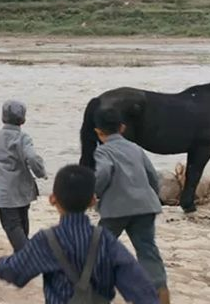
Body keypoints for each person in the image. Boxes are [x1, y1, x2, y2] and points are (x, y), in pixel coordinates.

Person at [0, 165, 159, 304]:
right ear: (93, 201)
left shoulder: (46, 241)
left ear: (53, 199)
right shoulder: (106, 240)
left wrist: (1, 264)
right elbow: (143, 291)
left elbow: (14, 273)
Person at [92, 108, 170, 304]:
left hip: (115, 210)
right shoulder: (136, 148)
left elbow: (102, 173)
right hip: (145, 207)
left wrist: (95, 194)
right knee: (147, 250)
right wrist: (150, 196)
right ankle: (160, 293)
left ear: (98, 132)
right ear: (122, 127)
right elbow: (153, 176)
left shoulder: (102, 151)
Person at [0, 100, 47, 252]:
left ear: (3, 117)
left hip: (4, 192)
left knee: (12, 226)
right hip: (23, 190)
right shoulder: (24, 138)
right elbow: (32, 158)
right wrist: (40, 172)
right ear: (23, 119)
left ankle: (27, 254)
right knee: (23, 224)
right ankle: (25, 252)